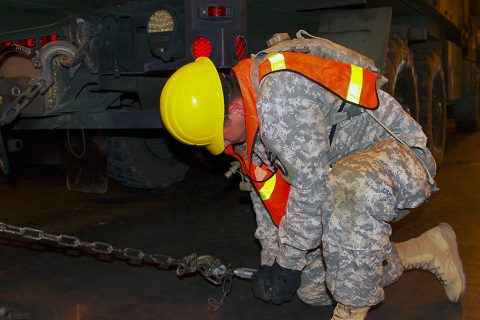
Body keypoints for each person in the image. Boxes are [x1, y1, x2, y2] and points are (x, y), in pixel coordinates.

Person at [159, 39, 466, 319]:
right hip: (338, 174)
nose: (224, 145)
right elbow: (266, 192)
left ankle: (351, 312)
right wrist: (273, 260)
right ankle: (427, 248)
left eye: (220, 134)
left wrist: (288, 263)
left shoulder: (279, 100)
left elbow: (311, 186)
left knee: (346, 190)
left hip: (398, 156)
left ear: (235, 109)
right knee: (314, 289)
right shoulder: (246, 114)